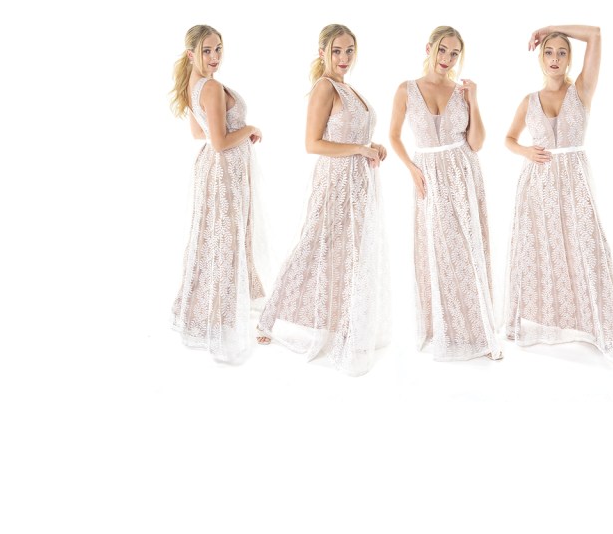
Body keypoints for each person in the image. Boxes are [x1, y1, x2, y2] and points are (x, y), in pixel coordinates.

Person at [257, 24, 390, 376]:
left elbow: (350, 135)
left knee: (350, 252)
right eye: (337, 51)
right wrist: (360, 148)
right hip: (334, 181)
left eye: (349, 50)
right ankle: (270, 318)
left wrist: (373, 146)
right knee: (314, 244)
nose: (344, 58)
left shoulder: (349, 88)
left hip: (358, 183)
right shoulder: (325, 87)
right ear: (323, 53)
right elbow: (312, 143)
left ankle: (344, 322)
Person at [504, 25, 613, 363]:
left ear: (569, 59)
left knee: (587, 248)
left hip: (575, 183)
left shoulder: (582, 91)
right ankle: (544, 323)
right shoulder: (529, 101)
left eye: (562, 53)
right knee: (541, 251)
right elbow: (509, 139)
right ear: (540, 58)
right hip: (538, 186)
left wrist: (552, 29)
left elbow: (595, 34)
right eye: (549, 52)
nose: (555, 58)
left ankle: (600, 327)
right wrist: (526, 151)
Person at [389, 26, 502, 361]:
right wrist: (412, 168)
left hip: (463, 172)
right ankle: (446, 328)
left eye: (454, 54)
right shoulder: (406, 89)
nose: (447, 59)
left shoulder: (461, 91)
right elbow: (393, 135)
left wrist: (473, 100)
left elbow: (476, 143)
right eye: (443, 50)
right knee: (437, 249)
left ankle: (479, 330)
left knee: (469, 249)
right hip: (428, 174)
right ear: (429, 48)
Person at [170, 25, 266, 364]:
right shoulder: (209, 87)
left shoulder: (193, 84)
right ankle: (221, 318)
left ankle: (211, 313)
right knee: (226, 239)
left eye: (218, 49)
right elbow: (220, 141)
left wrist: (232, 133)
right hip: (223, 170)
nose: (214, 57)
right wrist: (248, 129)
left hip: (215, 168)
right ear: (191, 54)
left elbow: (199, 132)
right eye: (207, 51)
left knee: (216, 237)